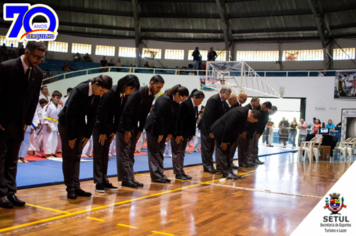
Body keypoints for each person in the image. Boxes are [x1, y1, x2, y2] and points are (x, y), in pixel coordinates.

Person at [0, 41, 46, 209]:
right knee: (0, 159)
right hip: (3, 122)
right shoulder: (7, 67)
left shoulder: (38, 73)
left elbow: (33, 99)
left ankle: (11, 192)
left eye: (41, 58)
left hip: (20, 124)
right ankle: (1, 194)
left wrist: (27, 121)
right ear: (27, 52)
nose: (39, 61)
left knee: (12, 159)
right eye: (36, 57)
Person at [58, 75, 112, 199]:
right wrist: (71, 136)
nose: (101, 94)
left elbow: (93, 115)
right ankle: (70, 187)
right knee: (69, 156)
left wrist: (87, 134)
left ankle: (76, 186)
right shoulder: (79, 90)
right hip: (67, 124)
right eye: (101, 90)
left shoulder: (96, 94)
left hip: (80, 125)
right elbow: (69, 113)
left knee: (77, 155)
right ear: (96, 84)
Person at [93, 75, 140, 193]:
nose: (132, 91)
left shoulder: (123, 95)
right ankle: (98, 182)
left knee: (105, 154)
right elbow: (102, 112)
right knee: (99, 153)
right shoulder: (111, 92)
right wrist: (103, 132)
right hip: (100, 126)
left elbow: (119, 114)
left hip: (109, 126)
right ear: (125, 85)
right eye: (132, 88)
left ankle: (104, 179)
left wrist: (114, 131)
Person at [117, 75, 164, 188]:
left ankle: (130, 177)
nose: (159, 90)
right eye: (158, 87)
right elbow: (127, 111)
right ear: (151, 83)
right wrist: (127, 130)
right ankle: (125, 179)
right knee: (124, 154)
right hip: (124, 126)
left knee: (130, 153)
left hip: (134, 126)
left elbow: (144, 116)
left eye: (161, 88)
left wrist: (139, 130)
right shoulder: (138, 92)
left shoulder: (151, 96)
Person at [146, 85, 189, 183]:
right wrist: (160, 133)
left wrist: (170, 133)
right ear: (177, 94)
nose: (182, 101)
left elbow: (174, 119)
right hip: (154, 128)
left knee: (161, 152)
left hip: (164, 130)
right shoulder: (164, 99)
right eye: (182, 98)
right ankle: (155, 176)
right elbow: (159, 118)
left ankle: (160, 174)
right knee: (154, 152)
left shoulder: (176, 103)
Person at [211, 107, 261, 179]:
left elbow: (236, 128)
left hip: (227, 133)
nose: (251, 122)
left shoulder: (244, 113)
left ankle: (229, 171)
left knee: (228, 152)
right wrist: (224, 140)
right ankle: (226, 172)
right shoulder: (240, 112)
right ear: (251, 115)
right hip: (221, 132)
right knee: (223, 152)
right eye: (253, 121)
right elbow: (228, 125)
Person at [172, 89, 205, 180]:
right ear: (194, 97)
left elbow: (193, 121)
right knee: (177, 153)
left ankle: (181, 171)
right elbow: (179, 120)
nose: (200, 102)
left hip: (185, 133)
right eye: (200, 100)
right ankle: (178, 172)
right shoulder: (184, 104)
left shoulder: (195, 106)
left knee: (182, 153)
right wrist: (178, 134)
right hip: (179, 133)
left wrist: (191, 134)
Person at [199, 86, 231, 173]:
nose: (228, 96)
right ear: (223, 92)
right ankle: (207, 166)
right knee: (206, 148)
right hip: (207, 128)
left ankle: (210, 165)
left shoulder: (223, 102)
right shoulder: (213, 99)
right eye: (228, 94)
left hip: (213, 129)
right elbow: (209, 117)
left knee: (210, 148)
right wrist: (212, 131)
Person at [238, 97, 260, 167]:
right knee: (242, 147)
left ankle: (246, 160)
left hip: (250, 131)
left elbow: (252, 122)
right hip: (245, 131)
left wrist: (254, 131)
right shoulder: (246, 108)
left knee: (247, 147)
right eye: (257, 102)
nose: (258, 104)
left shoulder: (254, 110)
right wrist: (243, 131)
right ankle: (242, 162)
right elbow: (243, 121)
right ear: (253, 101)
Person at [228, 92, 247, 169]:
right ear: (240, 97)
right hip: (232, 129)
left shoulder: (240, 106)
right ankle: (228, 162)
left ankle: (230, 161)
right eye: (244, 99)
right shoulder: (234, 105)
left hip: (237, 130)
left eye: (246, 99)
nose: (245, 101)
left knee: (234, 147)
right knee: (231, 147)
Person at [42, 91, 62, 158]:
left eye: (59, 98)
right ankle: (47, 154)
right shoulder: (48, 106)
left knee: (54, 140)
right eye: (57, 98)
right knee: (48, 139)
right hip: (49, 124)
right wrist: (47, 124)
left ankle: (52, 152)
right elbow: (44, 115)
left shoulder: (57, 106)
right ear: (52, 97)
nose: (58, 99)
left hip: (54, 125)